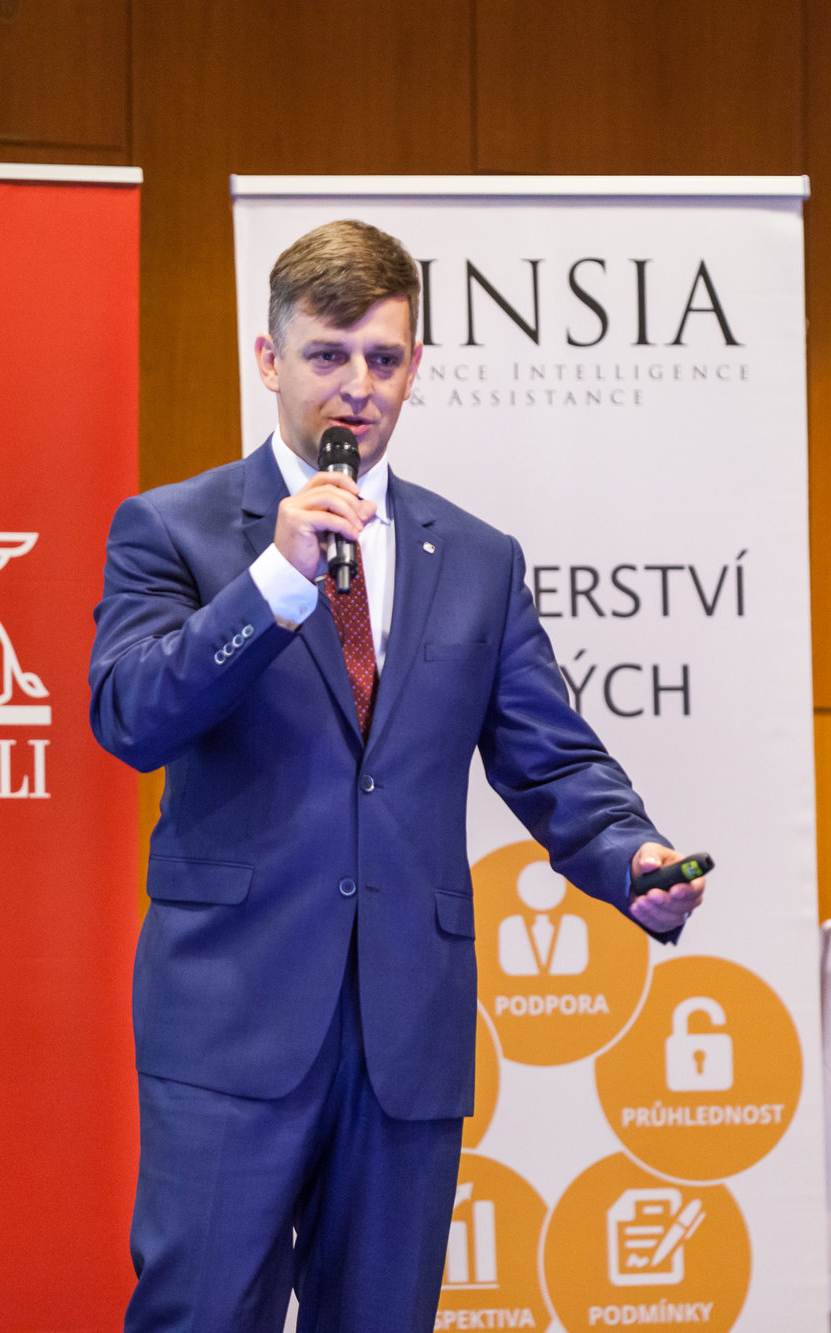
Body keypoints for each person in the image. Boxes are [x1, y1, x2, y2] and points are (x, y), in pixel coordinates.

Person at [88, 219, 708, 1333]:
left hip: (405, 1034)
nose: (357, 387)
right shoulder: (174, 530)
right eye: (327, 355)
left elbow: (550, 753)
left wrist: (631, 857)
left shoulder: (475, 558)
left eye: (383, 358)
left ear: (416, 365)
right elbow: (131, 713)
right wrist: (275, 582)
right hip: (230, 1020)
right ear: (269, 359)